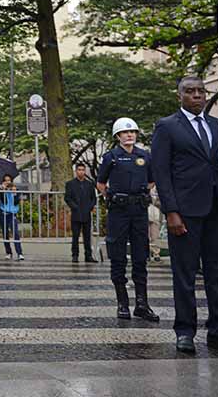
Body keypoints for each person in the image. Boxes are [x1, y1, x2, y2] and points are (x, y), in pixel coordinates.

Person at [151, 76, 218, 353]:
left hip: (216, 209)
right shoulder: (167, 126)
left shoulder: (217, 126)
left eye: (200, 91)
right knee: (184, 274)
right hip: (185, 212)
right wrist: (171, 211)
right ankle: (185, 331)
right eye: (190, 91)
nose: (197, 95)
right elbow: (161, 172)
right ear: (179, 95)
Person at [96, 118, 159, 322]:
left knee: (141, 255)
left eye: (132, 132)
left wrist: (137, 195)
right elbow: (100, 183)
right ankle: (122, 303)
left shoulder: (145, 156)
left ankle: (142, 304)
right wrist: (115, 197)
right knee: (118, 255)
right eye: (125, 132)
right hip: (118, 211)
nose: (129, 135)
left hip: (139, 209)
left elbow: (151, 180)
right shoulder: (111, 157)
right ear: (118, 136)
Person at [64, 163, 98, 263]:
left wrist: (90, 207)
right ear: (76, 171)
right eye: (79, 170)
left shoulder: (89, 184)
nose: (81, 172)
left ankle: (88, 255)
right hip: (76, 213)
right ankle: (75, 255)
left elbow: (93, 198)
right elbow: (67, 198)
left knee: (87, 236)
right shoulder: (70, 184)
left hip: (86, 213)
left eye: (83, 170)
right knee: (75, 236)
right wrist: (74, 207)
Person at [0, 175, 24, 261]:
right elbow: (3, 201)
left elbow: (16, 202)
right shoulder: (1, 191)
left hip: (13, 214)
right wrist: (3, 191)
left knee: (15, 233)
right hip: (4, 213)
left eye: (9, 180)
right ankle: (8, 252)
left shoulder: (15, 190)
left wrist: (14, 194)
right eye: (5, 180)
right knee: (5, 234)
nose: (7, 182)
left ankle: (19, 253)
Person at [147, 190, 163, 262]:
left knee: (155, 235)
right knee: (144, 234)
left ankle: (156, 253)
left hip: (156, 212)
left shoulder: (157, 185)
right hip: (145, 211)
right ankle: (146, 253)